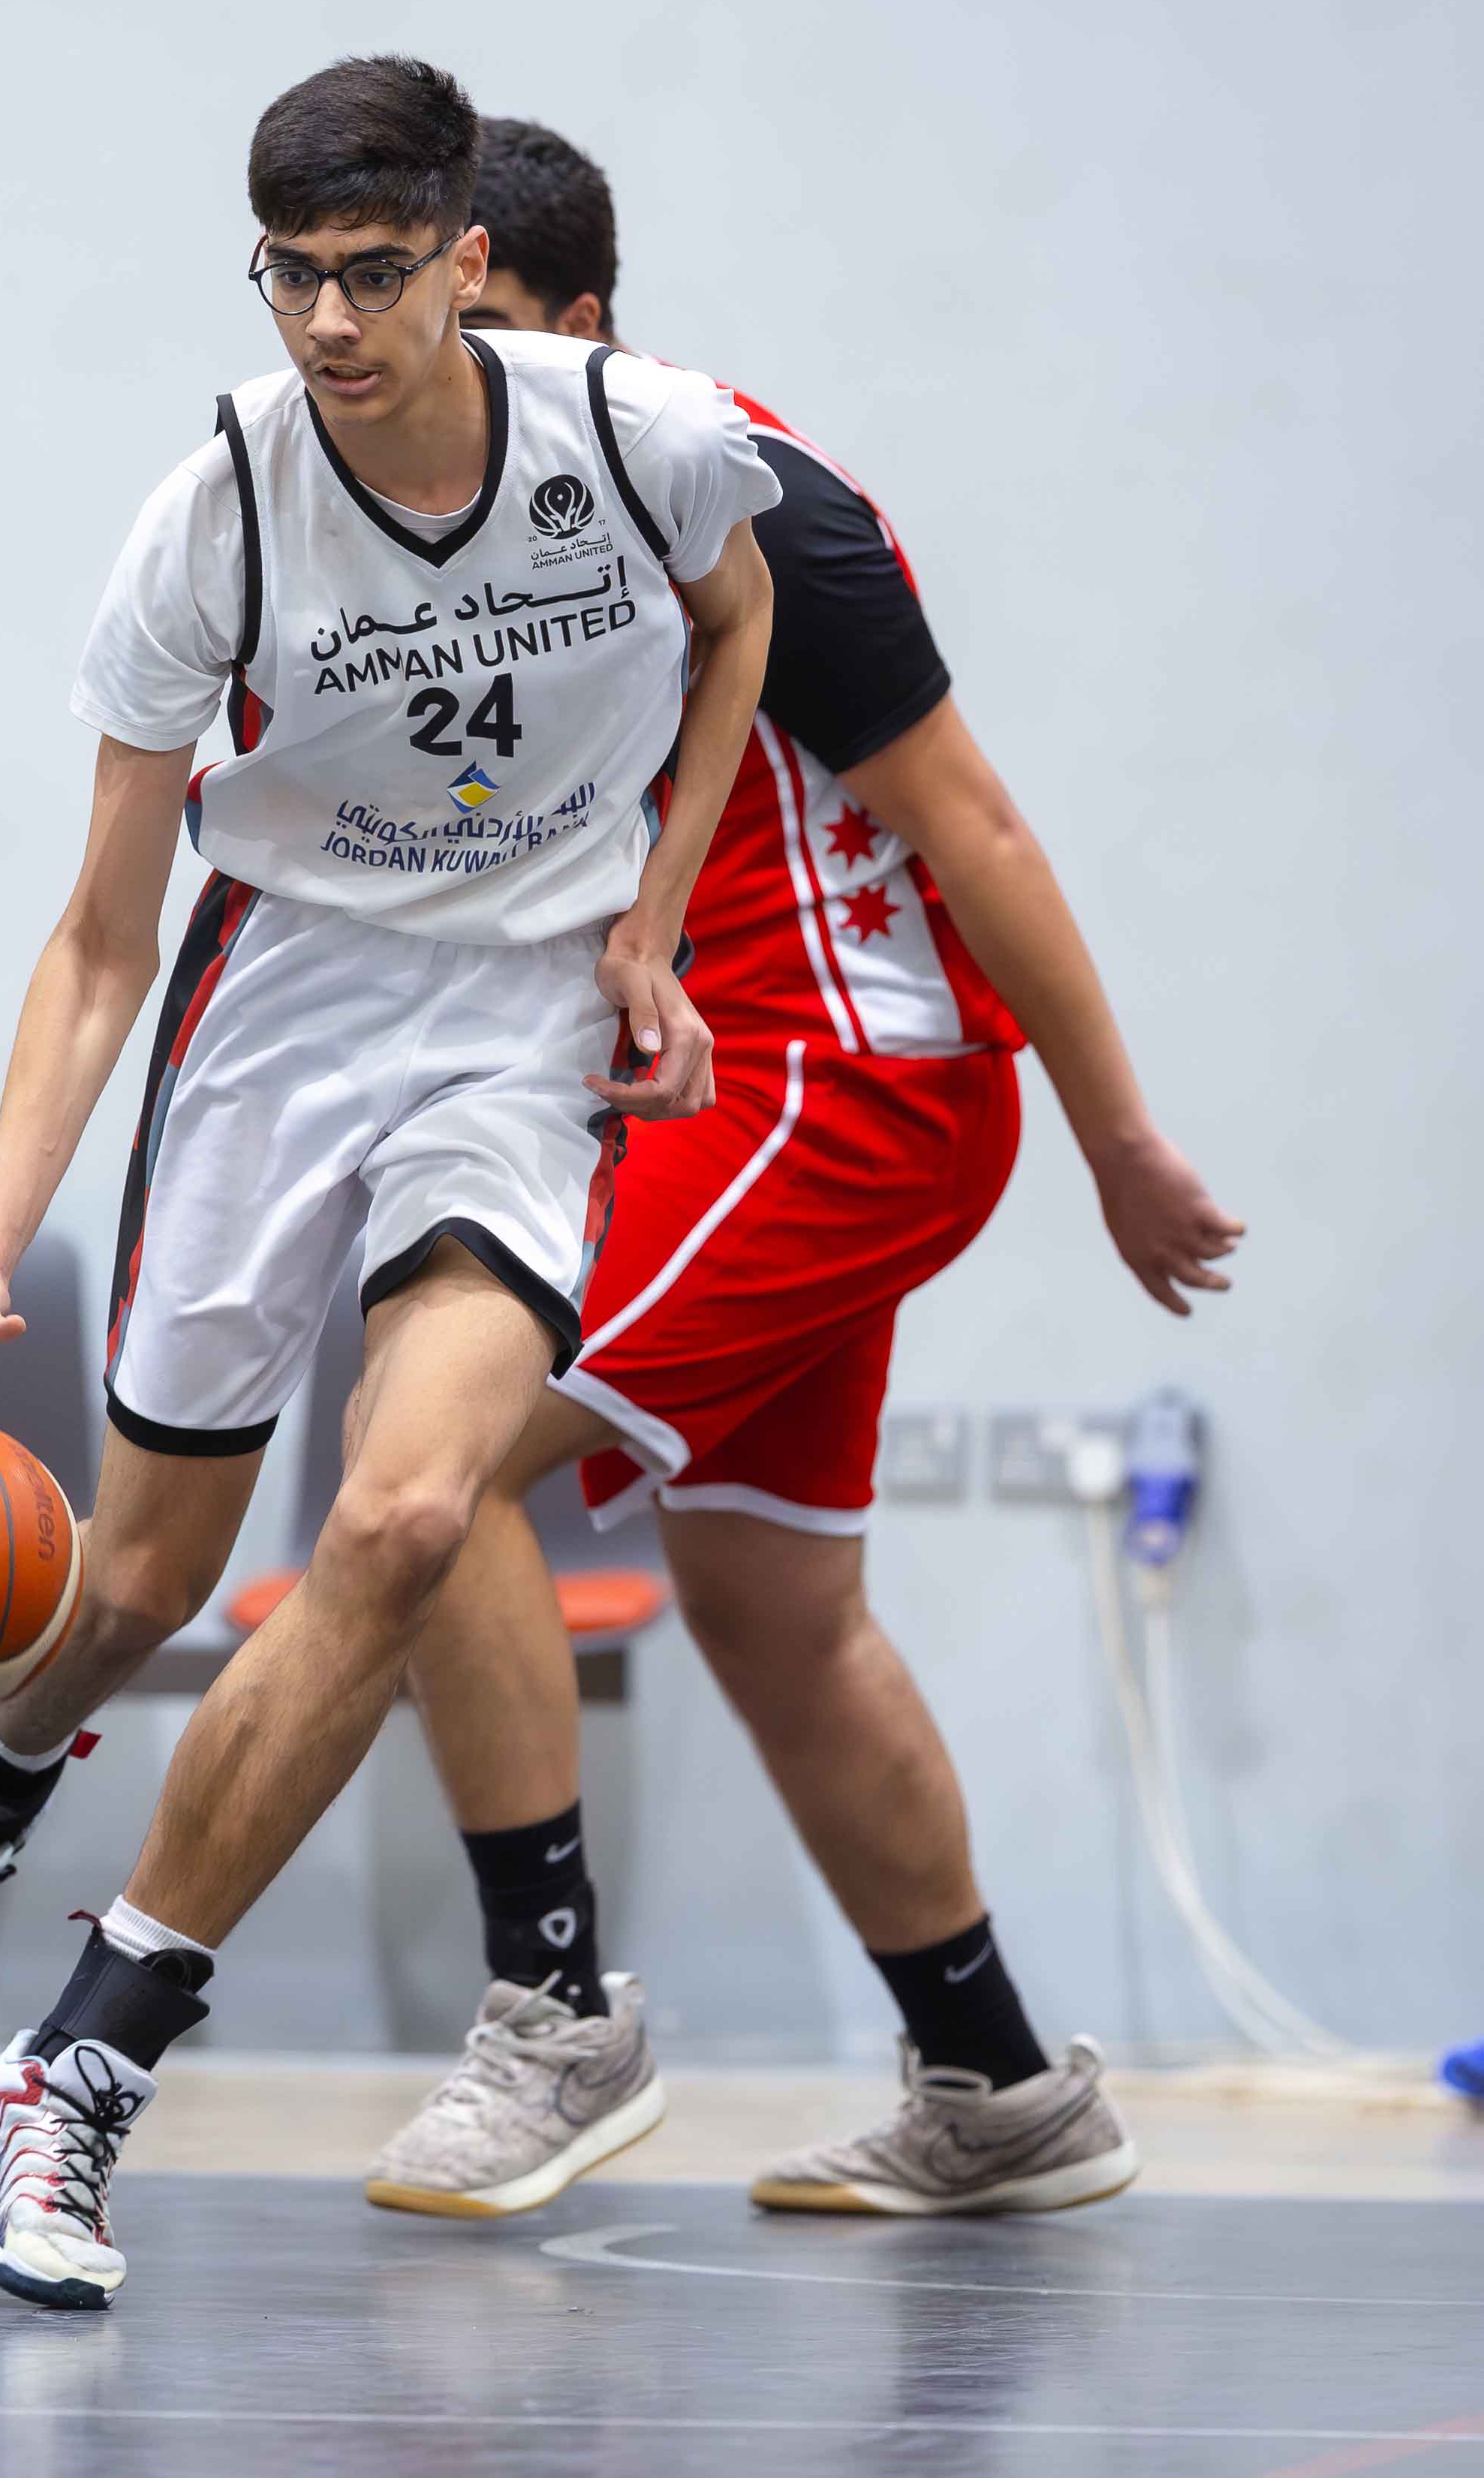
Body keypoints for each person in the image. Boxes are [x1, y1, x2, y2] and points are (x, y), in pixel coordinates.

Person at [0, 58, 780, 2309]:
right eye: (289, 276)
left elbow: (740, 623)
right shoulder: (215, 516)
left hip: (520, 1031)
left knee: (411, 1516)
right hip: (282, 1010)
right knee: (143, 1577)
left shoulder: (642, 439)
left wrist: (656, 921)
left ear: (464, 258)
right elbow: (101, 938)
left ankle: (72, 2078)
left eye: (371, 272)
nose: (329, 321)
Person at [357, 118, 1245, 2224]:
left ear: (582, 321)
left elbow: (978, 824)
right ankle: (1001, 2091)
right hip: (732, 1089)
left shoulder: (749, 496)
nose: (447, 378)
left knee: (427, 1477)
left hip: (849, 1086)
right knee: (774, 1608)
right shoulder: (467, 516)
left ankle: (554, 2020)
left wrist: (1120, 1136)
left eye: (485, 330)